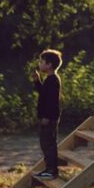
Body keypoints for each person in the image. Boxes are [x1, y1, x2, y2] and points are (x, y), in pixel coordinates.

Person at [32, 49, 63, 180]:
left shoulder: (53, 80)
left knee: (48, 144)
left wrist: (47, 117)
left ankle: (52, 170)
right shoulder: (49, 79)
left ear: (49, 65)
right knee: (45, 144)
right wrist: (37, 81)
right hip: (46, 117)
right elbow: (43, 94)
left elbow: (52, 102)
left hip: (48, 118)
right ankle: (49, 168)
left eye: (41, 62)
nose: (39, 64)